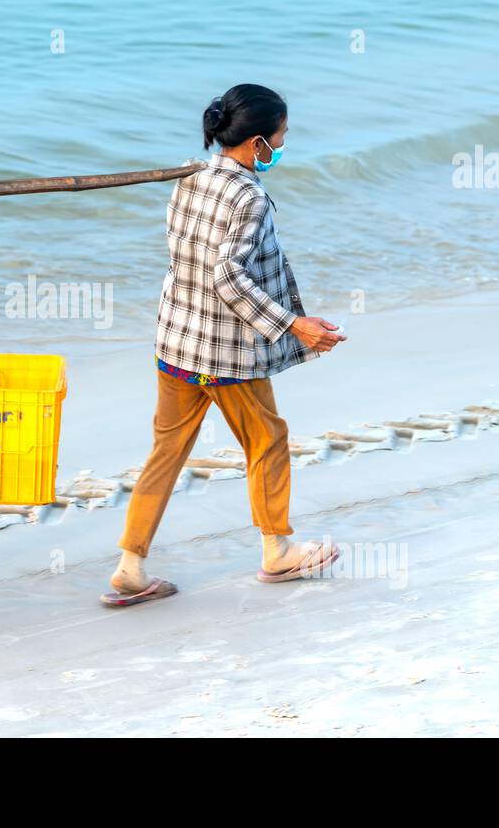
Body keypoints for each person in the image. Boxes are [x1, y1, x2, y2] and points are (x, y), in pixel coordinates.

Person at [104, 84, 346, 606]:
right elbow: (228, 278)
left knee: (166, 451)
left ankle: (130, 564)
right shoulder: (250, 197)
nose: (283, 145)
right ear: (258, 143)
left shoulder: (191, 177)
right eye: (280, 137)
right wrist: (295, 325)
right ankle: (278, 551)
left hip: (175, 340)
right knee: (267, 440)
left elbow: (190, 256)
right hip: (223, 354)